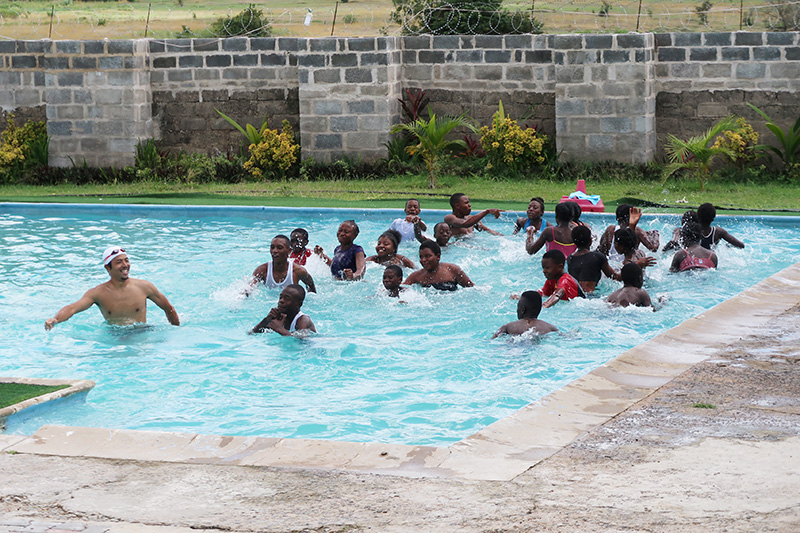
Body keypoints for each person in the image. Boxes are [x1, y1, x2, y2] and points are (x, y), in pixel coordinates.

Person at [44, 246, 180, 330]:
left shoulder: (144, 287)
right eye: (119, 262)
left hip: (142, 333)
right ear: (108, 268)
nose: (125, 265)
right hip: (115, 336)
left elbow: (168, 308)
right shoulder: (98, 293)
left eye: (126, 260)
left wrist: (177, 332)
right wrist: (55, 319)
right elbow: (73, 308)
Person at [249, 235, 316, 294]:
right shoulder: (262, 270)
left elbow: (312, 289)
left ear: (289, 251)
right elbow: (249, 289)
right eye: (272, 247)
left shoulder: (298, 271)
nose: (274, 251)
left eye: (279, 248)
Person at [567, 225, 620, 294]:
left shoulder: (570, 258)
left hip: (575, 295)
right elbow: (613, 276)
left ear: (573, 241)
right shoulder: (598, 256)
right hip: (591, 296)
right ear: (590, 240)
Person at [403, 240, 474, 291]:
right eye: (421, 257)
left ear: (438, 257)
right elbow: (402, 289)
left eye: (428, 256)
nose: (423, 260)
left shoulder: (452, 270)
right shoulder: (416, 276)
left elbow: (472, 288)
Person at [250, 284, 316, 336]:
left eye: (287, 299)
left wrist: (279, 329)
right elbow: (252, 333)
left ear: (298, 304)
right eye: (281, 297)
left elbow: (303, 340)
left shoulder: (303, 319)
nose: (281, 301)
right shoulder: (280, 317)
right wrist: (267, 319)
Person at [492, 291, 558, 339]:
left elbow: (491, 340)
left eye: (518, 307)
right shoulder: (550, 328)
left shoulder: (508, 327)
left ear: (522, 310)